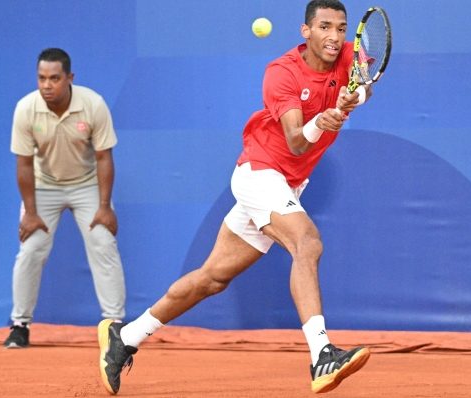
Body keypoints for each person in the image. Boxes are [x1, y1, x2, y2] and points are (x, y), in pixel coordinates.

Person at [98, 0, 372, 394]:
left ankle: (124, 337)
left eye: (341, 28)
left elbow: (365, 85)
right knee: (307, 243)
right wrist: (320, 120)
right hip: (261, 173)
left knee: (211, 278)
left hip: (289, 184)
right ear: (305, 31)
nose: (334, 37)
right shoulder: (281, 73)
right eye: (325, 27)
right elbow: (296, 142)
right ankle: (322, 354)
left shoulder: (348, 53)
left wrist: (351, 100)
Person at [6, 48, 126, 348]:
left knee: (103, 242)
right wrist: (30, 213)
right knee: (30, 250)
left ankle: (114, 326)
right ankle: (20, 325)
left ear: (69, 78)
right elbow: (23, 165)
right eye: (41, 78)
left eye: (55, 78)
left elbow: (103, 158)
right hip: (44, 187)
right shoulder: (26, 109)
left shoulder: (93, 104)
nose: (47, 85)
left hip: (87, 186)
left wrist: (103, 207)